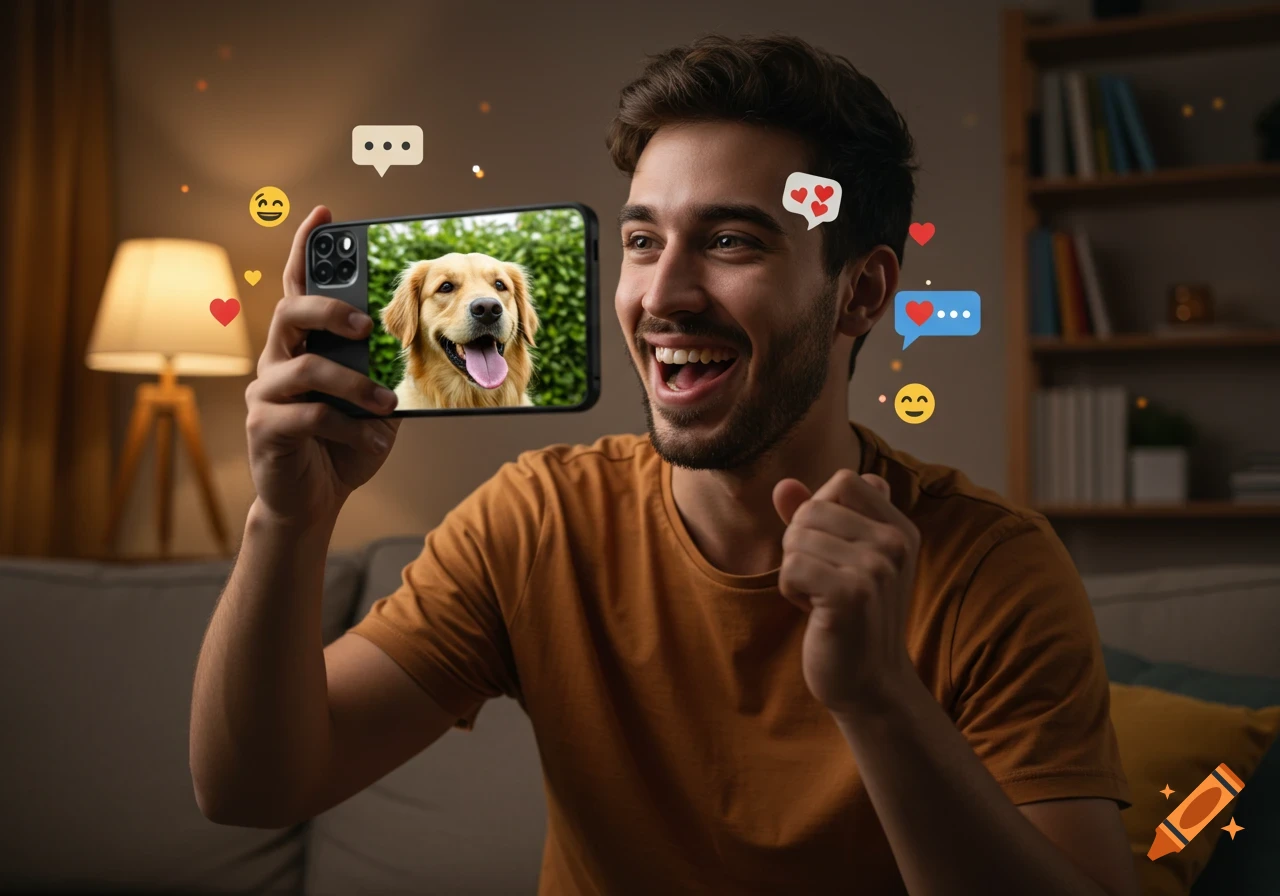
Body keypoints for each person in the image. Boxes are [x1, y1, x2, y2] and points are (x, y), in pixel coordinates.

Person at [190, 33, 1138, 896]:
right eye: (643, 241)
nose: (663, 295)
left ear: (861, 292)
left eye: (731, 242)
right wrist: (288, 516)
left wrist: (879, 698)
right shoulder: (538, 521)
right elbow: (252, 787)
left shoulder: (992, 571)